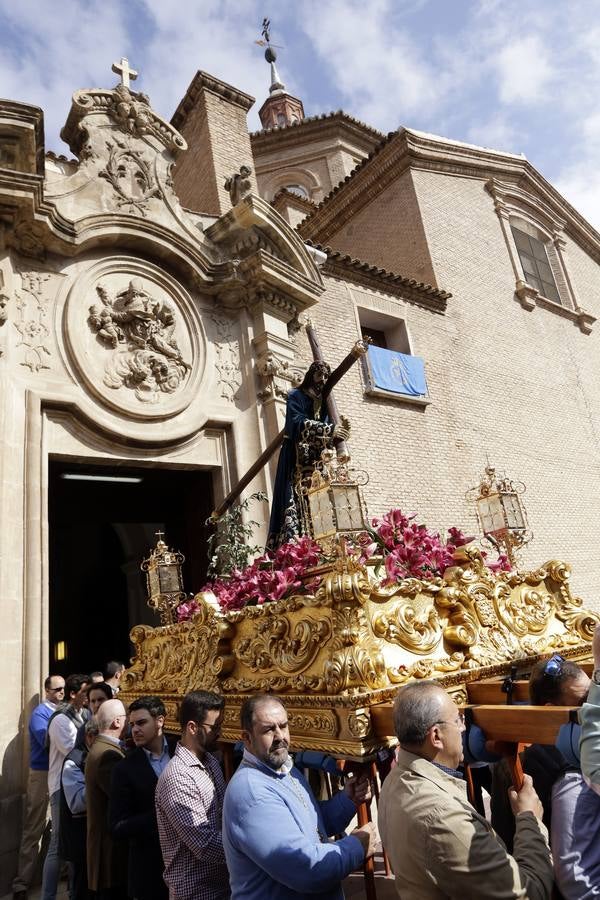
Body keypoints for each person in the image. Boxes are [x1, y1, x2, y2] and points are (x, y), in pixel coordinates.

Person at [378, 680, 553, 900]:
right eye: (457, 720)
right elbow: (529, 893)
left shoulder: (393, 782)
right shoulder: (445, 819)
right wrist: (530, 819)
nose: (463, 727)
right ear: (436, 736)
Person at [222, 694, 377, 900]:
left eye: (283, 726)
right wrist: (356, 846)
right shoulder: (251, 792)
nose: (280, 737)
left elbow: (314, 826)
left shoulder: (283, 767)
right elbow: (307, 870)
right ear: (247, 738)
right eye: (269, 729)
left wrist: (347, 800)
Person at [491, 654, 590, 852]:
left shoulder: (524, 749)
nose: (595, 709)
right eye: (585, 703)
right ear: (551, 711)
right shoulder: (561, 765)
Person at [155, 690, 229, 900]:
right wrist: (249, 846)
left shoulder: (211, 762)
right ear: (192, 727)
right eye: (214, 727)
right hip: (195, 892)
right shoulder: (178, 776)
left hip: (221, 887)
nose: (220, 732)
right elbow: (204, 845)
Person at [267, 361, 349, 547]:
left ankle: (325, 544)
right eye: (319, 374)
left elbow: (328, 435)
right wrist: (329, 430)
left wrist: (338, 434)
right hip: (296, 458)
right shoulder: (295, 395)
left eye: (326, 376)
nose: (323, 379)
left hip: (319, 461)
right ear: (311, 375)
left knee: (323, 502)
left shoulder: (325, 401)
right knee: (297, 500)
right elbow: (296, 424)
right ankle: (296, 547)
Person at [110, 696, 173, 900]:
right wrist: (161, 815)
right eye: (132, 724)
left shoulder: (182, 751)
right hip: (150, 872)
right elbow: (116, 826)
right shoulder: (124, 769)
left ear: (160, 721)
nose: (135, 729)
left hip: (190, 868)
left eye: (141, 722)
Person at [13, 674, 65, 900]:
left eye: (63, 688)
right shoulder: (40, 714)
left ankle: (57, 871)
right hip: (42, 774)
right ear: (47, 691)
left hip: (60, 773)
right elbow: (48, 741)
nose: (61, 692)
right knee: (34, 826)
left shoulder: (62, 711)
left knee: (57, 826)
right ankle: (21, 884)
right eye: (57, 689)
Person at [42, 673, 91, 900]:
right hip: (62, 787)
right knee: (57, 846)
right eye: (84, 692)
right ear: (74, 695)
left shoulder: (83, 714)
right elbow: (76, 751)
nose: (89, 697)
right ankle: (48, 896)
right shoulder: (61, 719)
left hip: (76, 786)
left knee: (74, 845)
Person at [85, 699, 128, 900]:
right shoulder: (108, 754)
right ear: (118, 722)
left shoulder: (102, 748)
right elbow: (125, 799)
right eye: (128, 719)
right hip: (110, 854)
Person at [59, 717, 99, 900]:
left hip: (94, 841)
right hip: (79, 841)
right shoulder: (74, 762)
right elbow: (76, 803)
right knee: (81, 889)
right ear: (90, 737)